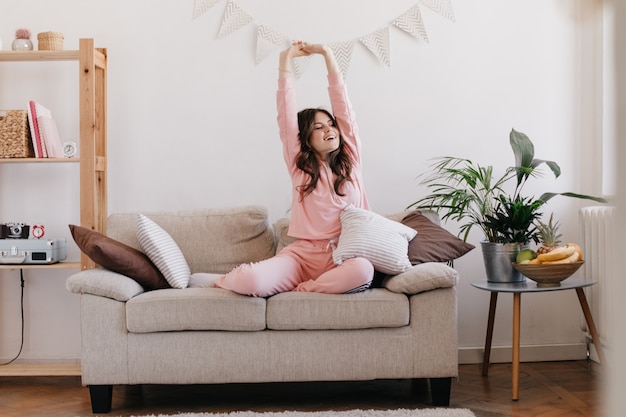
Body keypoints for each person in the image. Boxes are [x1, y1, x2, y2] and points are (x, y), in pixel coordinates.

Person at [213, 41, 373, 297]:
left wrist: (327, 55)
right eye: (318, 127)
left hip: (346, 255)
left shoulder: (351, 158)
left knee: (364, 271)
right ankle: (221, 281)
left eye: (330, 124)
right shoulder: (301, 167)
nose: (329, 129)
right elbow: (286, 118)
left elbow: (344, 109)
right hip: (302, 257)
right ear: (306, 138)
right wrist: (285, 62)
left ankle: (307, 290)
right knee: (251, 281)